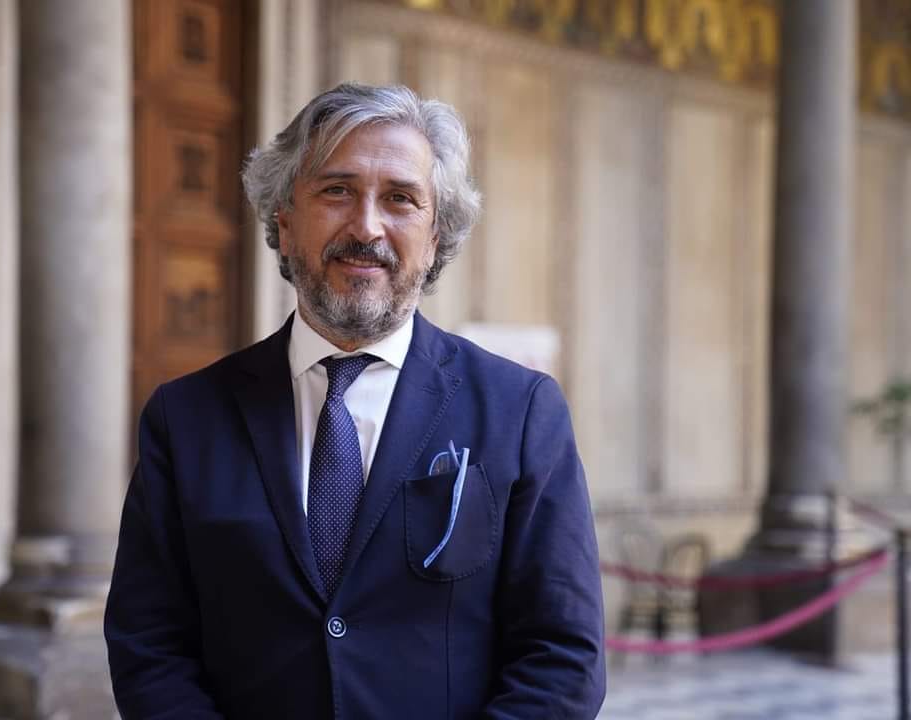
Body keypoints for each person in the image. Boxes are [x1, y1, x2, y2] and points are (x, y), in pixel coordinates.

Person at [104, 82, 605, 719]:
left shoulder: (522, 411)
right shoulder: (185, 418)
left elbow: (562, 656)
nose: (367, 226)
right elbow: (149, 643)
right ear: (285, 222)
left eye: (400, 199)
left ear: (435, 236)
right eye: (337, 190)